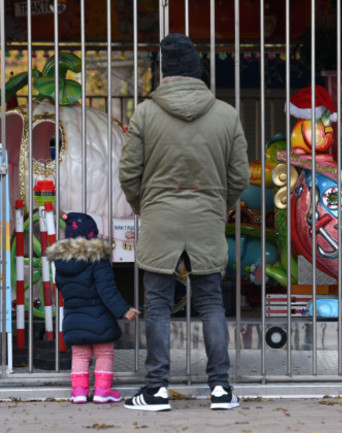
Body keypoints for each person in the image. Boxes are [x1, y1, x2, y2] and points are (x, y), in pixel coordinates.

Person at [119, 33, 250, 412]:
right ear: (198, 70)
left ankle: (156, 389)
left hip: (160, 218)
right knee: (210, 302)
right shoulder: (226, 114)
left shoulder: (145, 113)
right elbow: (238, 174)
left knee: (157, 303)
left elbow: (129, 172)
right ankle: (221, 389)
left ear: (164, 72)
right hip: (207, 217)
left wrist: (146, 206)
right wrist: (217, 205)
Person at [46, 212, 140, 404]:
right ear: (92, 234)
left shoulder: (61, 262)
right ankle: (102, 391)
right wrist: (123, 310)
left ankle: (79, 392)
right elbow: (107, 290)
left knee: (80, 354)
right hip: (100, 316)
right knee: (104, 353)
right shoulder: (98, 257)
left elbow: (61, 287)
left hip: (74, 316)